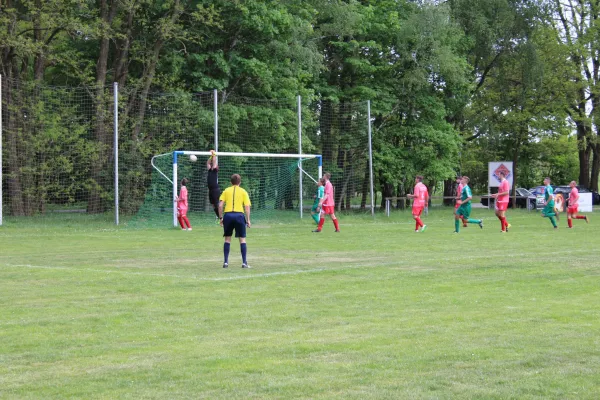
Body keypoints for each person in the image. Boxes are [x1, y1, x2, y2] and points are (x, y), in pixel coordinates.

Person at [218, 174, 252, 268]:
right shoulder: (243, 191)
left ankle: (225, 262)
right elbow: (247, 207)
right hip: (239, 216)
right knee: (242, 239)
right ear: (239, 182)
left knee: (227, 239)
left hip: (228, 216)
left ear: (231, 182)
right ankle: (244, 263)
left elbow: (220, 205)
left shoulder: (226, 190)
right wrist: (248, 220)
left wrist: (221, 218)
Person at [207, 150, 221, 220]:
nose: (212, 164)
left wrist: (214, 154)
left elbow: (214, 161)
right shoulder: (209, 170)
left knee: (217, 205)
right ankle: (220, 217)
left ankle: (221, 217)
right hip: (210, 190)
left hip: (215, 190)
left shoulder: (215, 170)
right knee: (213, 205)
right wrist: (210, 156)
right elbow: (208, 163)